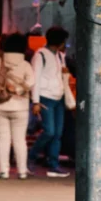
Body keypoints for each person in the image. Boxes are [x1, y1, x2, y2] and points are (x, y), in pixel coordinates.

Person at [0, 33, 35, 180]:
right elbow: (31, 82)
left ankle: (4, 171)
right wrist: (18, 90)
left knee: (3, 139)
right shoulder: (25, 64)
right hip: (20, 107)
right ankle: (22, 171)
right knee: (20, 140)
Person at [29, 27, 70, 177]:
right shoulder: (40, 55)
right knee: (49, 131)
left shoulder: (60, 55)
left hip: (59, 97)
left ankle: (53, 164)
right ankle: (31, 156)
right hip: (45, 96)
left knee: (57, 133)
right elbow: (35, 78)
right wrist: (35, 101)